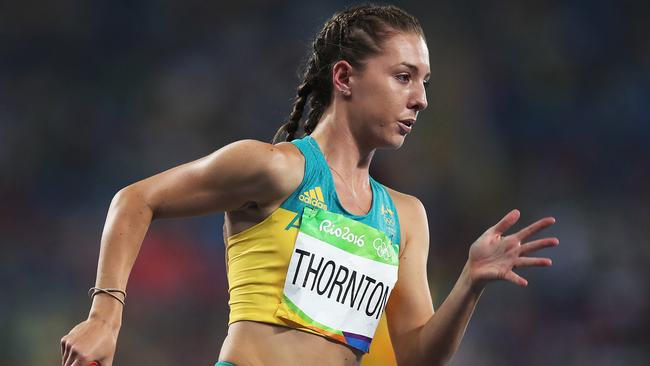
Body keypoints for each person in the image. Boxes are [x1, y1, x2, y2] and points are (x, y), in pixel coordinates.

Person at [60, 4, 558, 366]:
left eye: (425, 82)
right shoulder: (274, 169)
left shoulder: (405, 218)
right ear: (344, 78)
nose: (421, 99)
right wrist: (105, 315)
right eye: (404, 77)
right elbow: (136, 199)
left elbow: (415, 356)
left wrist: (469, 285)